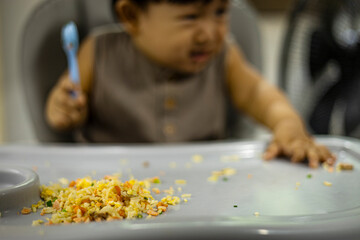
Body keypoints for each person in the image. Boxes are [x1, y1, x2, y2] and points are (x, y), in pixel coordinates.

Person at [45, 0, 336, 168]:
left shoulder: (223, 56)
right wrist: (65, 109)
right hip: (111, 189)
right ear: (132, 16)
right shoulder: (97, 53)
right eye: (191, 17)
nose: (209, 33)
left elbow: (259, 93)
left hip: (205, 182)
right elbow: (65, 102)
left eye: (220, 11)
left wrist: (287, 125)